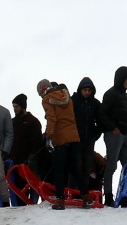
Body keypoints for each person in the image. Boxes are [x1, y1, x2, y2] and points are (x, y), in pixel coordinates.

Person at [39, 80, 79, 210]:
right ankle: (85, 196)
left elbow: (51, 118)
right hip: (73, 136)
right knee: (76, 168)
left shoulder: (47, 99)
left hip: (60, 138)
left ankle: (60, 199)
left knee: (59, 169)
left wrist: (48, 136)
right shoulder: (67, 97)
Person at [98, 67, 127, 206]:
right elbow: (102, 114)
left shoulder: (125, 95)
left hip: (124, 134)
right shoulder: (110, 94)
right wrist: (113, 128)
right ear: (120, 78)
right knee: (112, 165)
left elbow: (123, 114)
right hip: (113, 134)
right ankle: (108, 195)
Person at [71, 77, 101, 200]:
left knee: (86, 168)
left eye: (89, 90)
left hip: (89, 141)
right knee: (75, 166)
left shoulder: (96, 103)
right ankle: (72, 193)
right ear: (80, 90)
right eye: (85, 90)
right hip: (76, 140)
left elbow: (100, 121)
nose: (87, 92)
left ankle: (84, 195)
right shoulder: (73, 101)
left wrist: (95, 136)